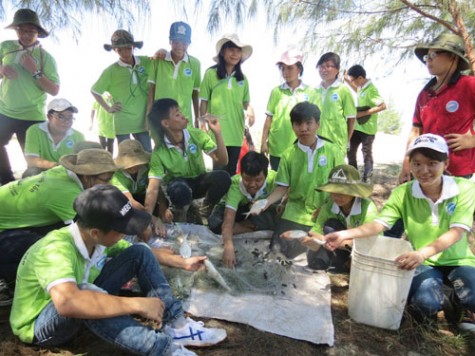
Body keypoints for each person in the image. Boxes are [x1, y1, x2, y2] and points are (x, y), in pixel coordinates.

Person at [10, 184, 226, 355]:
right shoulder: (54, 250)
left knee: (141, 251)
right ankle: (163, 350)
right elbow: (69, 302)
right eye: (122, 230)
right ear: (96, 232)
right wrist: (137, 304)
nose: (126, 234)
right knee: (86, 292)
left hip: (81, 298)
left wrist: (183, 262)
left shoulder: (95, 239)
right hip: (43, 325)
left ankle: (178, 327)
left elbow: (135, 251)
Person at [326, 134, 475, 331]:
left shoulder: (464, 188)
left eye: (432, 163)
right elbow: (379, 224)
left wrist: (421, 253)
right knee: (425, 305)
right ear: (410, 164)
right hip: (423, 262)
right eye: (417, 163)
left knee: (472, 296)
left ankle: (460, 302)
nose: (424, 170)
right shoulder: (403, 192)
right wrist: (346, 234)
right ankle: (442, 298)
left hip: (457, 259)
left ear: (445, 163)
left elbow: (456, 232)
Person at [0, 148, 120, 285]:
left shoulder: (62, 172)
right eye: (107, 179)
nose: (110, 184)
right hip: (3, 233)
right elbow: (84, 236)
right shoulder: (67, 193)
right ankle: (10, 280)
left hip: (12, 220)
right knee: (50, 250)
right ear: (87, 177)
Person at [258, 102, 344, 259]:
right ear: (292, 126)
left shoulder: (333, 151)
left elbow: (340, 186)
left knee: (321, 259)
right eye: (298, 124)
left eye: (308, 123)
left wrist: (326, 209)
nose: (303, 128)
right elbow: (282, 187)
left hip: (324, 212)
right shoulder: (288, 154)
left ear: (317, 124)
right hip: (295, 212)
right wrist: (266, 202)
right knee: (278, 252)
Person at [399, 33, 475, 183]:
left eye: (433, 54)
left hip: (457, 172)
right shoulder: (424, 94)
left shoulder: (469, 85)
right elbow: (415, 131)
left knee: (455, 207)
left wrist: (472, 141)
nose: (428, 60)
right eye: (427, 57)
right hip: (425, 171)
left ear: (453, 57)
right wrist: (406, 163)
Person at [145, 98, 230, 228]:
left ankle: (204, 211)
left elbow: (222, 161)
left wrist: (218, 134)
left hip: (199, 182)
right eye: (178, 115)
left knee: (223, 177)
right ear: (166, 123)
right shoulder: (159, 152)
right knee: (179, 190)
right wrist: (148, 219)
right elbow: (153, 188)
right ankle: (182, 212)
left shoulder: (196, 135)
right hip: (179, 187)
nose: (184, 116)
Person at [0, 8, 60, 184]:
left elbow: (54, 90)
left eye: (31, 31)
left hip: (32, 115)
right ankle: (7, 181)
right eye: (22, 30)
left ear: (38, 33)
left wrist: (35, 71)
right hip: (4, 111)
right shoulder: (5, 47)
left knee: (33, 161)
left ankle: (33, 188)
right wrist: (2, 70)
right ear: (16, 29)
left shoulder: (46, 58)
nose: (26, 35)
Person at [282, 164, 377, 272]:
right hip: (335, 245)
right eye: (333, 192)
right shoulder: (330, 204)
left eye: (342, 192)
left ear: (354, 192)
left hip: (362, 250)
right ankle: (340, 263)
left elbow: (372, 241)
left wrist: (339, 243)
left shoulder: (368, 208)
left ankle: (345, 263)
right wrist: (309, 240)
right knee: (315, 260)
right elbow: (315, 232)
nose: (337, 196)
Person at [208, 151, 278, 267]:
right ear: (241, 174)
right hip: (237, 209)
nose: (252, 184)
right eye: (247, 179)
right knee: (215, 223)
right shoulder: (235, 186)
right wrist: (228, 246)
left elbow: (288, 191)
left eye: (258, 180)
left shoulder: (274, 178)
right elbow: (228, 219)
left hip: (259, 208)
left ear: (265, 176)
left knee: (278, 215)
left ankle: (249, 224)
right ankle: (250, 226)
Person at [199, 33, 255, 176]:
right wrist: (203, 126)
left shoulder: (243, 79)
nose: (235, 54)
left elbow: (245, 102)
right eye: (231, 49)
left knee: (231, 173)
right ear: (223, 51)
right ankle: (214, 199)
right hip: (217, 133)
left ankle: (228, 199)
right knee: (218, 174)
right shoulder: (210, 74)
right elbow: (203, 102)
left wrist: (250, 110)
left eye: (238, 50)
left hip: (236, 132)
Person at [91, 29, 152, 153]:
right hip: (122, 123)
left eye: (128, 48)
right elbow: (94, 91)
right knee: (126, 158)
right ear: (114, 50)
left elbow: (160, 60)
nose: (125, 53)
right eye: (120, 50)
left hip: (144, 121)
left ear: (133, 46)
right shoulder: (111, 71)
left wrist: (161, 52)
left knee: (147, 154)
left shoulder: (146, 62)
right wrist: (108, 108)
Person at [261, 49, 317, 170]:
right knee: (278, 180)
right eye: (283, 68)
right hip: (277, 146)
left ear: (299, 69)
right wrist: (263, 142)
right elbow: (269, 118)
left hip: (302, 145)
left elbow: (315, 120)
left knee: (299, 182)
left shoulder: (310, 92)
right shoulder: (276, 92)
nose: (285, 72)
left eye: (290, 68)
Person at [148, 21, 201, 129]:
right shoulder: (158, 60)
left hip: (184, 121)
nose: (180, 46)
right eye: (176, 42)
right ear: (170, 41)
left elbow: (195, 94)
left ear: (189, 43)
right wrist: (148, 117)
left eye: (184, 43)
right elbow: (151, 91)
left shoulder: (195, 64)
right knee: (162, 146)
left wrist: (197, 119)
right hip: (160, 120)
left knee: (184, 146)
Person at [23, 98, 85, 177]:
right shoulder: (35, 131)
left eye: (70, 117)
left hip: (67, 174)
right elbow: (31, 160)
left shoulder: (78, 136)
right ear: (49, 116)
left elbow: (82, 162)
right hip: (43, 173)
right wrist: (57, 166)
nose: (66, 121)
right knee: (31, 172)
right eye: (61, 117)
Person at [344, 65, 386, 182]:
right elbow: (356, 89)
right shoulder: (361, 87)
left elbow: (383, 106)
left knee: (366, 152)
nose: (353, 83)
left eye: (353, 80)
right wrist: (346, 79)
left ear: (360, 78)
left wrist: (364, 113)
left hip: (368, 129)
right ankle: (353, 176)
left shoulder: (371, 90)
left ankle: (367, 177)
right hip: (357, 127)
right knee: (350, 150)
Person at [315, 52, 356, 158]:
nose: (324, 69)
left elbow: (351, 119)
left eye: (328, 66)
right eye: (321, 66)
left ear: (337, 70)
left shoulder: (343, 90)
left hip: (336, 144)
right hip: (316, 144)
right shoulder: (314, 91)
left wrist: (346, 141)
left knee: (334, 174)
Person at [111, 139, 150, 210]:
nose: (132, 168)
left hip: (143, 195)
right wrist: (149, 216)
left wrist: (163, 209)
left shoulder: (147, 167)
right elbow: (129, 200)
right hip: (125, 199)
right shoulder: (116, 174)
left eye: (137, 164)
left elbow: (156, 189)